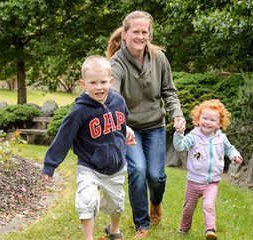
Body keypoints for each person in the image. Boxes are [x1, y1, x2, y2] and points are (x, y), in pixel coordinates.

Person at [106, 10, 186, 238]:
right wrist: (122, 125)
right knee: (138, 171)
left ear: (148, 34)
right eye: (136, 32)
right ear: (125, 35)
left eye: (145, 32)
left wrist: (177, 115)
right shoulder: (116, 63)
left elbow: (169, 91)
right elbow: (113, 98)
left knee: (156, 176)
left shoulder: (159, 58)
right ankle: (143, 224)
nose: (141, 36)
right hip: (129, 128)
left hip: (154, 126)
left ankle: (156, 203)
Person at [41, 55, 136, 240]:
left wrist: (126, 132)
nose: (98, 87)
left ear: (111, 81)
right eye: (93, 83)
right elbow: (63, 138)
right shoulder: (80, 111)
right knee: (86, 201)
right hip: (89, 166)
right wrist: (50, 165)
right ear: (84, 84)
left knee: (116, 203)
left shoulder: (119, 102)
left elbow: (121, 122)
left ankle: (114, 230)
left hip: (115, 167)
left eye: (102, 82)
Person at [173, 99, 243, 240]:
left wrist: (235, 155)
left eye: (212, 120)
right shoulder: (194, 136)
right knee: (188, 208)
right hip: (193, 181)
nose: (207, 122)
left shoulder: (221, 138)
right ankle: (184, 229)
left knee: (209, 206)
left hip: (212, 182)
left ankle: (210, 230)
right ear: (198, 119)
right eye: (204, 118)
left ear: (219, 123)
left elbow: (230, 148)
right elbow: (180, 146)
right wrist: (179, 134)